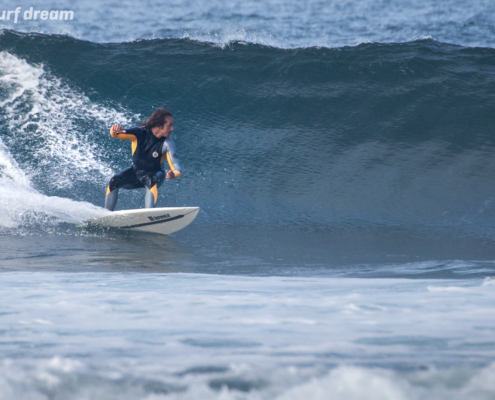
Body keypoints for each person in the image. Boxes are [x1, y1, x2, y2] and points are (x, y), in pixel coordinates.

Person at [104, 108, 181, 211]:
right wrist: (114, 129)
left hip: (156, 174)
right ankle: (106, 215)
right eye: (169, 125)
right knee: (114, 180)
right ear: (159, 125)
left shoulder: (168, 143)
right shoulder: (139, 133)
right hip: (136, 173)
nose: (172, 129)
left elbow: (177, 168)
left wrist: (173, 174)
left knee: (150, 179)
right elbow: (116, 134)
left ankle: (149, 214)